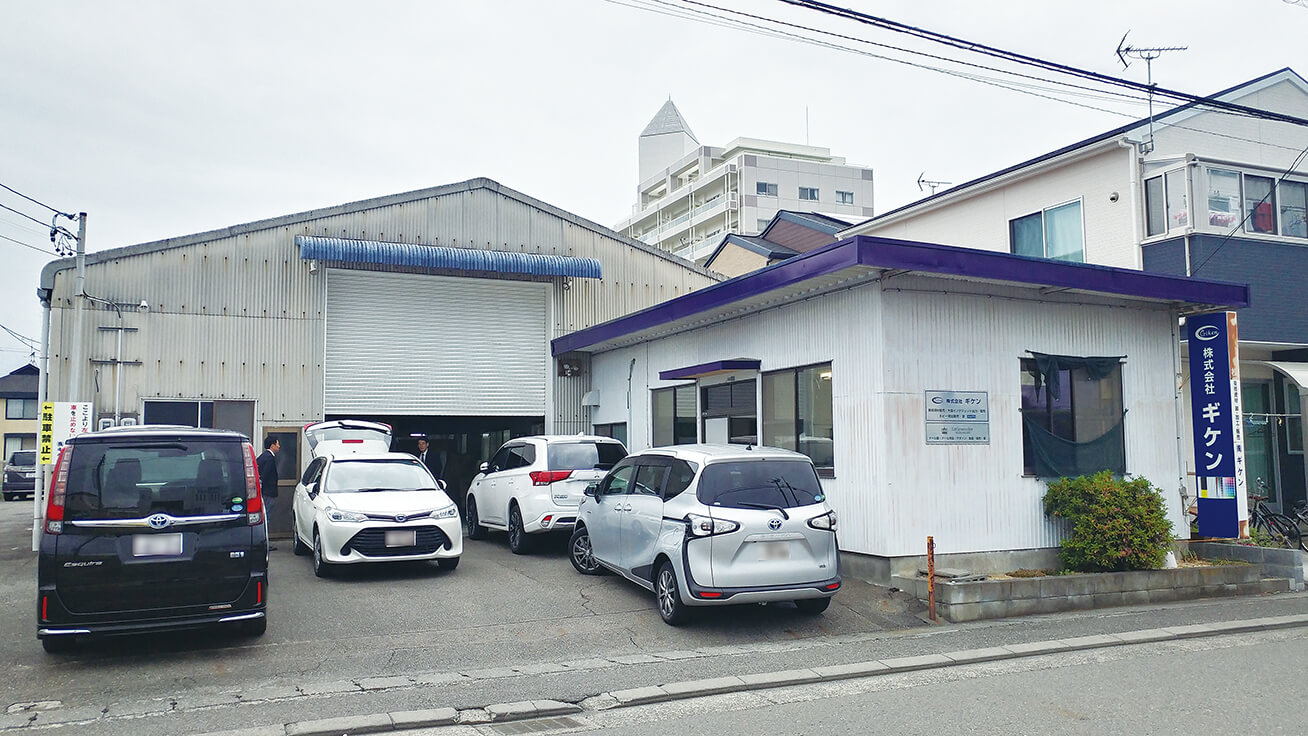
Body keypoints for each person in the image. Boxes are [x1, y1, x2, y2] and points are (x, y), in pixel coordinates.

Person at [257, 436, 280, 551]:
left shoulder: (262, 457)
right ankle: (264, 543)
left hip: (264, 491)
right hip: (268, 492)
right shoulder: (269, 458)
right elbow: (265, 476)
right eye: (277, 444)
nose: (279, 446)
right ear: (272, 445)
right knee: (266, 517)